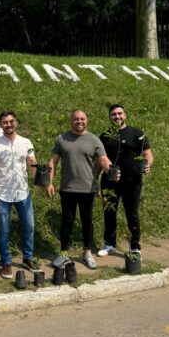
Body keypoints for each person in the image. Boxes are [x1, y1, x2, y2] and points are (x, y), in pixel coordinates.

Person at [46, 110, 115, 270]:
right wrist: (49, 182)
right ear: (71, 121)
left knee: (87, 222)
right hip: (67, 188)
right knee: (67, 221)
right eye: (76, 119)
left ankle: (87, 253)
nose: (79, 121)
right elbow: (53, 162)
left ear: (87, 120)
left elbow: (104, 160)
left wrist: (111, 170)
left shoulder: (94, 140)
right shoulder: (61, 139)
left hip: (87, 189)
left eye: (82, 118)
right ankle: (63, 253)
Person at [0, 110, 41, 279]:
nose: (9, 124)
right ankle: (6, 263)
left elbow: (32, 164)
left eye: (11, 121)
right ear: (1, 125)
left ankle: (27, 258)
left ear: (16, 122)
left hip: (23, 192)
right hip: (2, 193)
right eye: (5, 122)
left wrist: (43, 179)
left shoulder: (26, 142)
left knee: (29, 226)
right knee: (4, 230)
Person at [97, 104, 153, 258]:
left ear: (125, 115)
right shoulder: (105, 136)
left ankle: (135, 247)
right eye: (114, 114)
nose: (117, 117)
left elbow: (148, 154)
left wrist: (147, 165)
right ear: (110, 117)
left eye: (120, 114)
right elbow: (100, 160)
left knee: (132, 213)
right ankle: (109, 244)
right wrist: (94, 180)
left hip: (132, 181)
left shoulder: (137, 133)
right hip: (110, 181)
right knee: (109, 212)